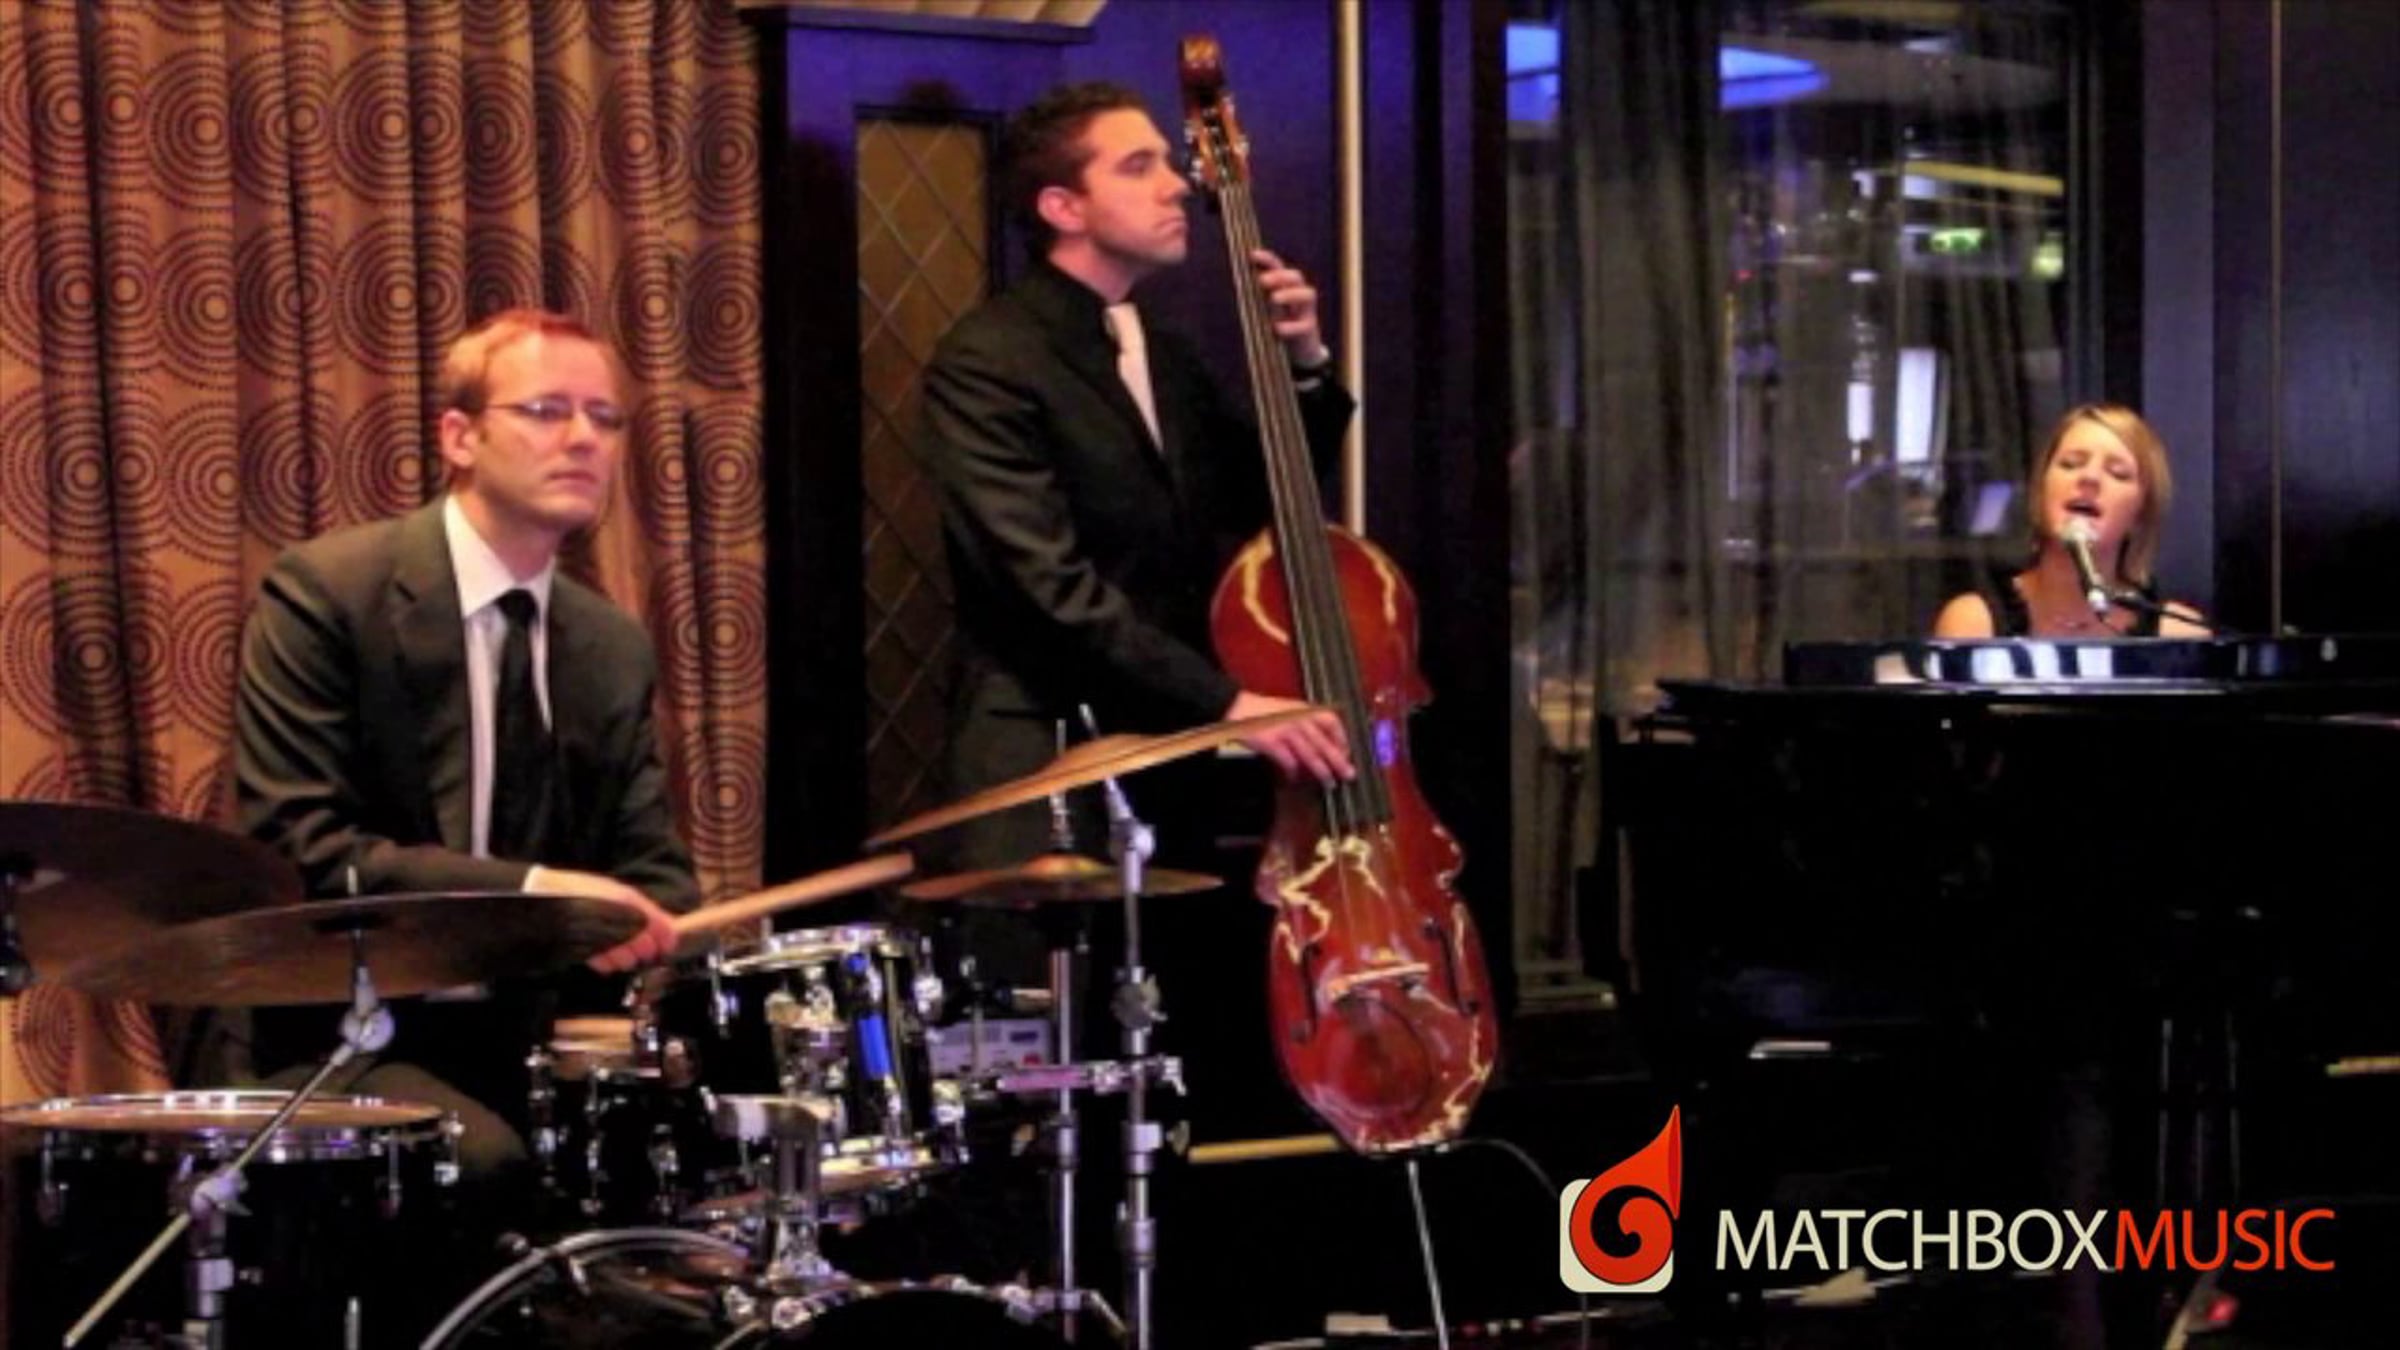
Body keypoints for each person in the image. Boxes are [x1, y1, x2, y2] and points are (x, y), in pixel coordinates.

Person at [232, 308, 696, 1182]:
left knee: (719, 1142)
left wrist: (642, 920)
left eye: (604, 419)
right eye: (547, 410)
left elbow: (655, 872)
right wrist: (534, 894)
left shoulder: (609, 645)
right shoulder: (330, 595)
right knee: (482, 1163)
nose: (583, 439)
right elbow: (300, 848)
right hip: (350, 1030)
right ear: (460, 437)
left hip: (528, 1035)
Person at [916, 81, 1356, 882]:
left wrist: (1305, 365)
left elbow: (1255, 501)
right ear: (1063, 207)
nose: (1176, 185)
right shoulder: (989, 359)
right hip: (1046, 751)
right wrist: (1225, 702)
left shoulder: (1166, 349)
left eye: (1166, 161)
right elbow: (1046, 587)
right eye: (1137, 166)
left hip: (1169, 749)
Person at [1934, 403, 2210, 638]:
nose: (2089, 478)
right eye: (2071, 464)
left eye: (2117, 473)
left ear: (2140, 515)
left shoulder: (2180, 634)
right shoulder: (1974, 623)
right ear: (2041, 492)